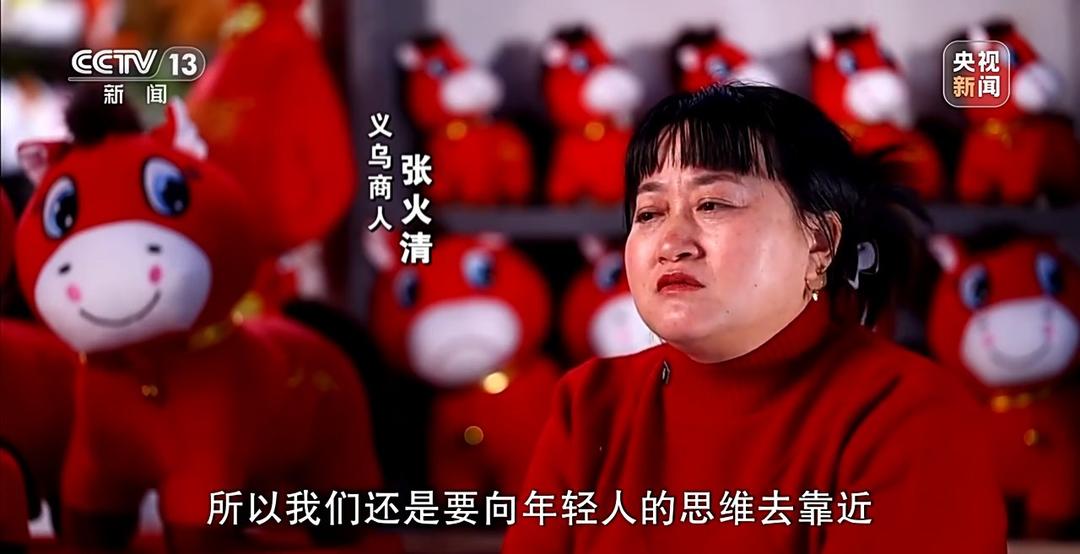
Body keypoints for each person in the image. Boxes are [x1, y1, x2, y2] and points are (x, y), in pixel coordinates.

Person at [501, 84, 1006, 553]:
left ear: (819, 243)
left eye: (712, 203)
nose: (671, 244)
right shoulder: (589, 404)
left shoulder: (907, 413)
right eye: (649, 213)